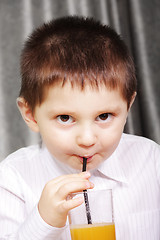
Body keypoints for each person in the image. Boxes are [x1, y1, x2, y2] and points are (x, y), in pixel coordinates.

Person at [0, 16, 159, 240]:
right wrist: (42, 222)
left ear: (128, 107)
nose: (86, 139)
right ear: (31, 115)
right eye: (65, 118)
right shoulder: (13, 177)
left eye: (104, 116)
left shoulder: (151, 161)